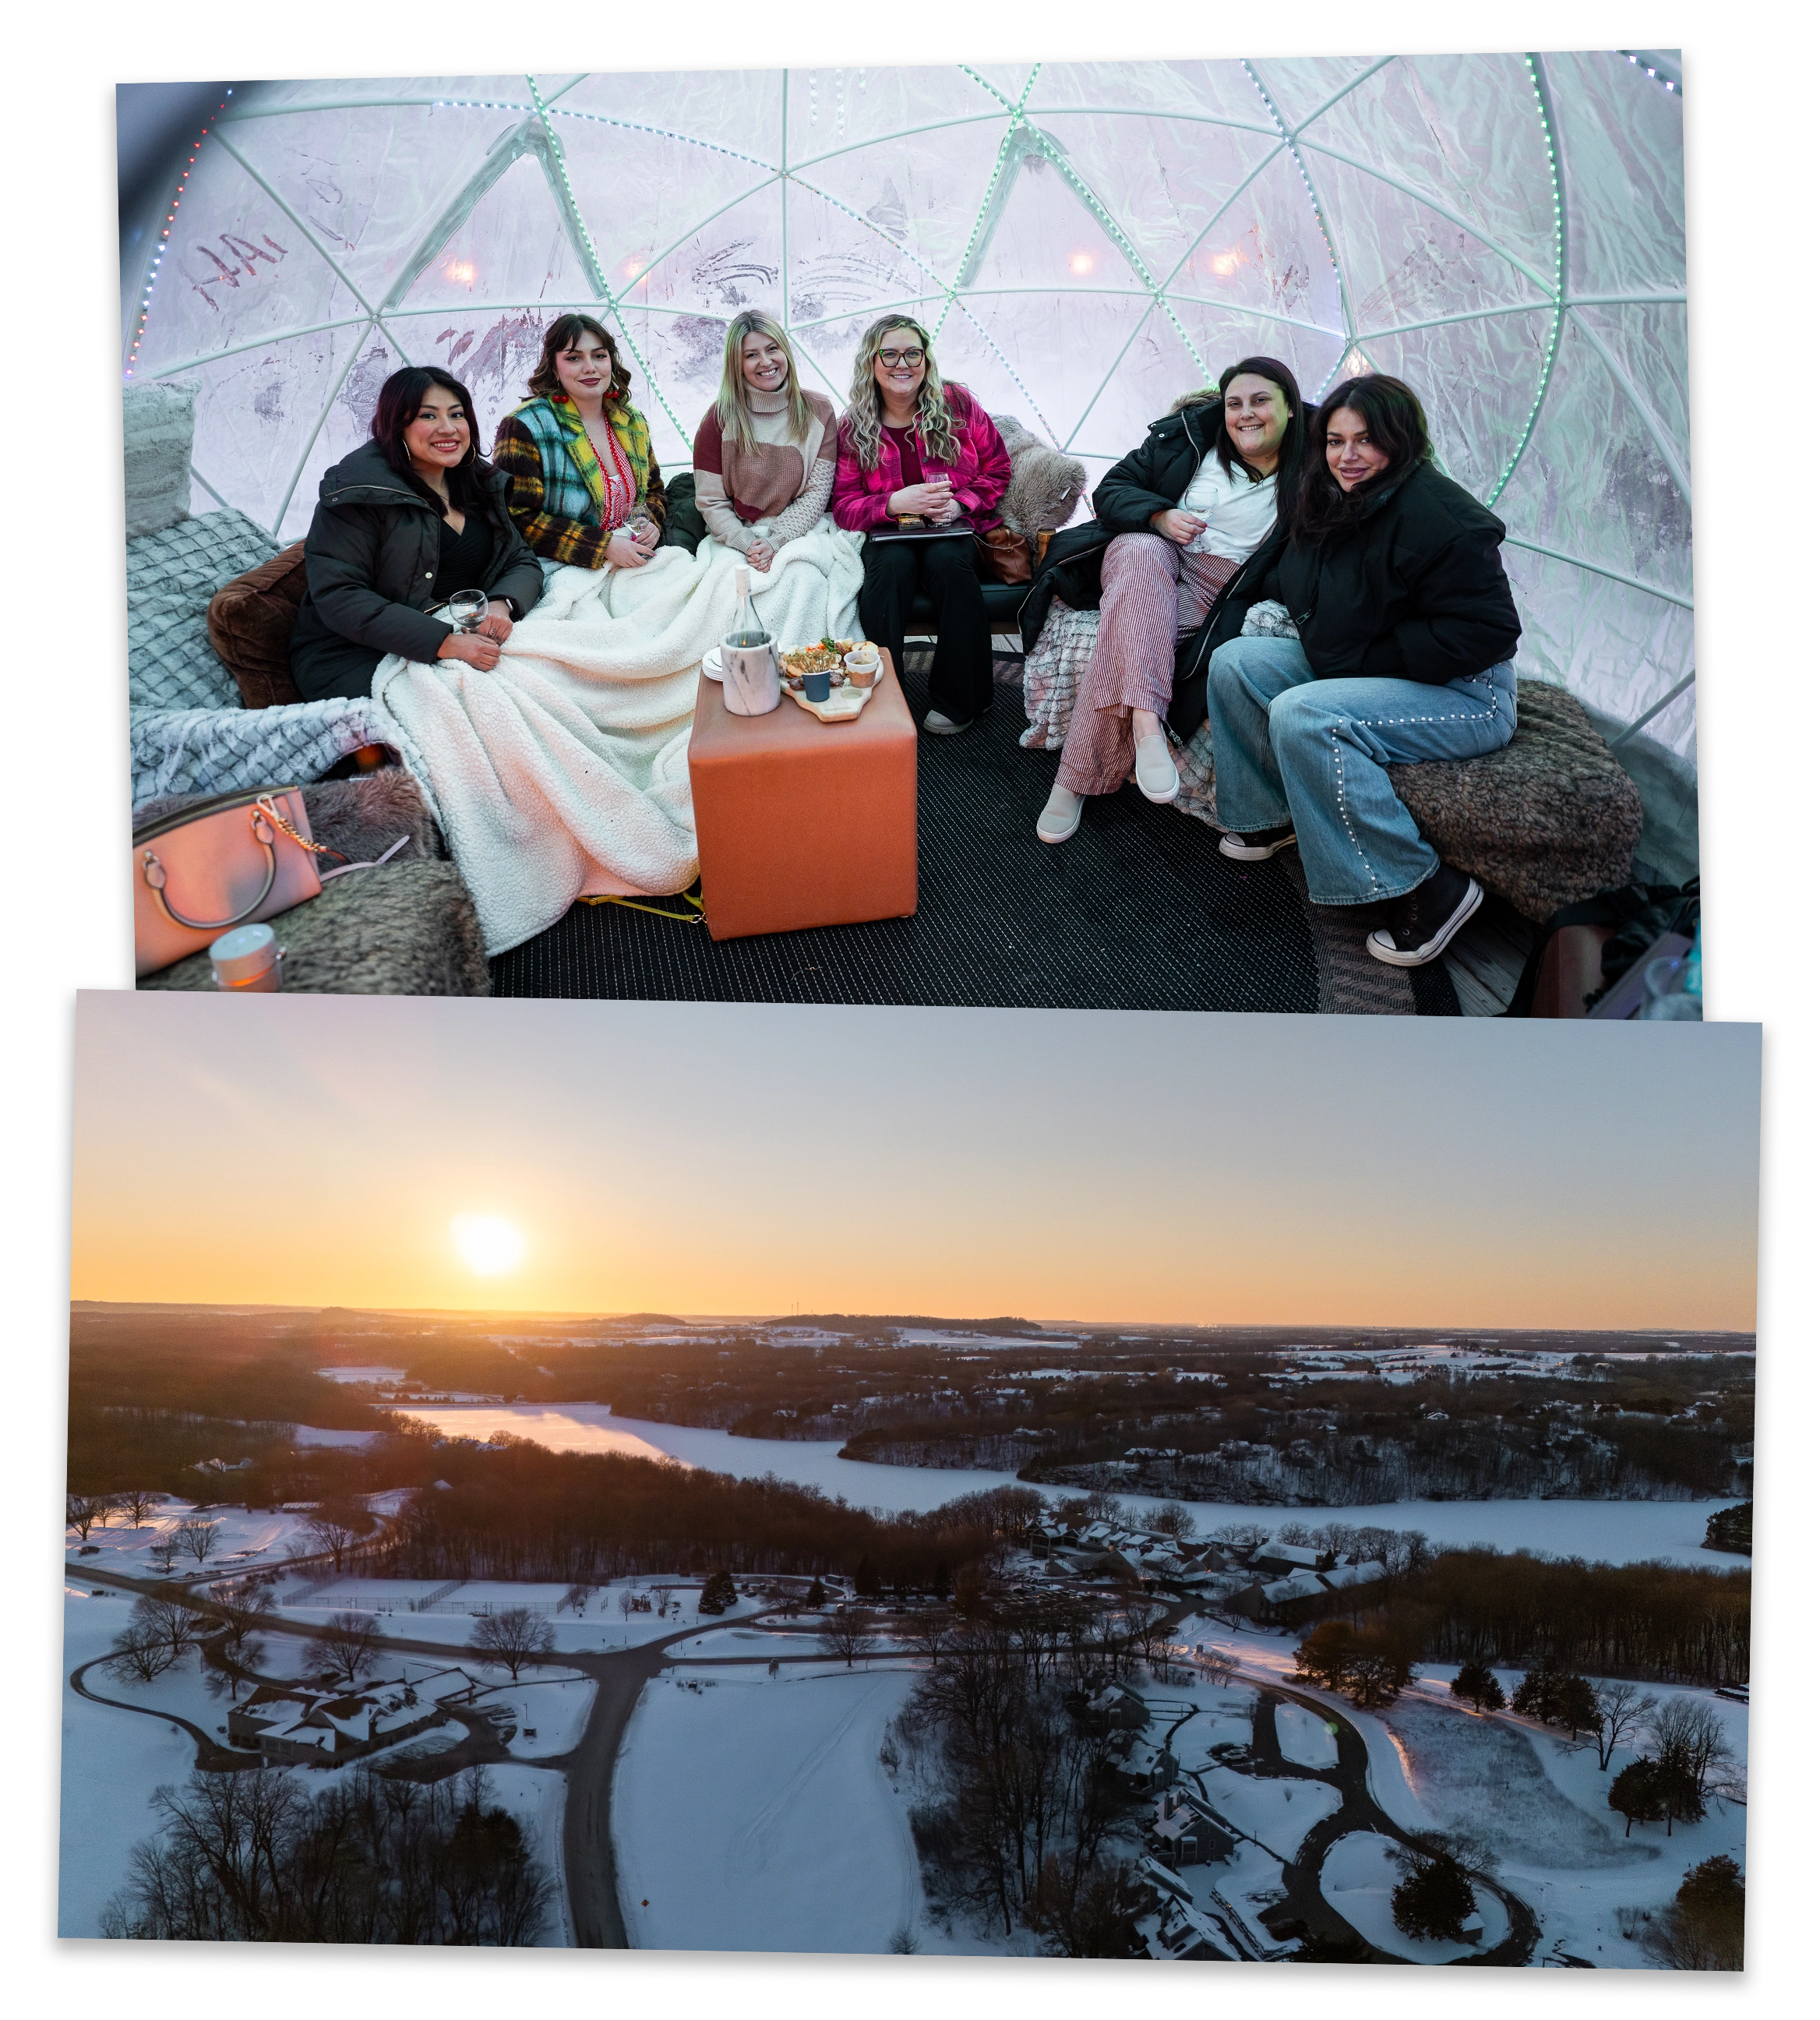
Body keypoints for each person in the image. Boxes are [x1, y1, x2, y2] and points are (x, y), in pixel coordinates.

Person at [1201, 373, 1522, 966]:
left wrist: (1362, 661)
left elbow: (1489, 632)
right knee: (1236, 663)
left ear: (1401, 441)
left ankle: (1424, 886)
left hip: (1465, 691)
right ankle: (1270, 817)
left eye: (1366, 440)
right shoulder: (1330, 497)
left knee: (1307, 714)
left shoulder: (1443, 518)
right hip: (1357, 658)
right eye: (1334, 440)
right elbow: (1300, 581)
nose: (1347, 457)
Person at [1032, 358, 1304, 843]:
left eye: (1261, 401)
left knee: (1124, 637)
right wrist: (1158, 515)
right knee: (1141, 547)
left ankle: (1072, 782)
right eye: (1235, 403)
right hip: (1150, 558)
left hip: (1219, 585)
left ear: (1290, 407)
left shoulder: (1312, 473)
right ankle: (1147, 726)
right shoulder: (1189, 441)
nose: (1246, 414)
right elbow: (1111, 490)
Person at [288, 366, 545, 703]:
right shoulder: (360, 492)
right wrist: (443, 642)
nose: (448, 428)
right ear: (398, 426)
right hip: (362, 651)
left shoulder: (476, 482)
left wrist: (501, 603)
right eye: (428, 416)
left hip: (464, 630)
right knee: (491, 706)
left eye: (457, 414)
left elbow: (520, 557)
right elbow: (340, 596)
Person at [831, 316, 1011, 733]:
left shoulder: (958, 404)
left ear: (926, 360)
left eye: (913, 353)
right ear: (871, 362)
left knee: (950, 562)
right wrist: (893, 502)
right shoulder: (854, 425)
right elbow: (843, 506)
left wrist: (960, 504)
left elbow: (998, 467)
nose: (902, 364)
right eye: (890, 354)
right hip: (891, 533)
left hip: (950, 529)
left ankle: (961, 698)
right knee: (889, 569)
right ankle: (880, 696)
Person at [491, 313, 669, 573]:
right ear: (554, 367)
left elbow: (654, 491)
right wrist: (602, 546)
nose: (590, 367)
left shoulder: (631, 422)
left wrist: (651, 523)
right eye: (574, 358)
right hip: (562, 568)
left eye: (599, 356)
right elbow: (517, 518)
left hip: (636, 558)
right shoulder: (526, 426)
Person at [692, 310, 838, 573]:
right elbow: (711, 501)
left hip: (801, 529)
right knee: (731, 587)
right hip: (736, 536)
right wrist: (747, 544)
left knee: (802, 577)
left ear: (785, 352)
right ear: (736, 364)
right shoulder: (718, 419)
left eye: (772, 349)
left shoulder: (820, 410)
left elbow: (817, 493)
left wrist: (777, 539)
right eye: (751, 355)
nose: (766, 361)